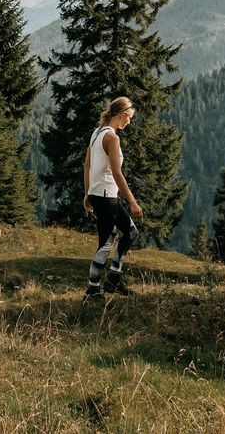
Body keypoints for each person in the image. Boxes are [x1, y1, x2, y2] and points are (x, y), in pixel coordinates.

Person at [82, 96, 143, 298]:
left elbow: (87, 166)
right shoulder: (112, 138)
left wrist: (87, 194)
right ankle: (97, 287)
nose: (129, 122)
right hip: (107, 196)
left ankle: (107, 283)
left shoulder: (97, 133)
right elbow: (117, 173)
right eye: (130, 117)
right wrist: (133, 202)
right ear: (122, 114)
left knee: (112, 238)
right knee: (119, 238)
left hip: (97, 194)